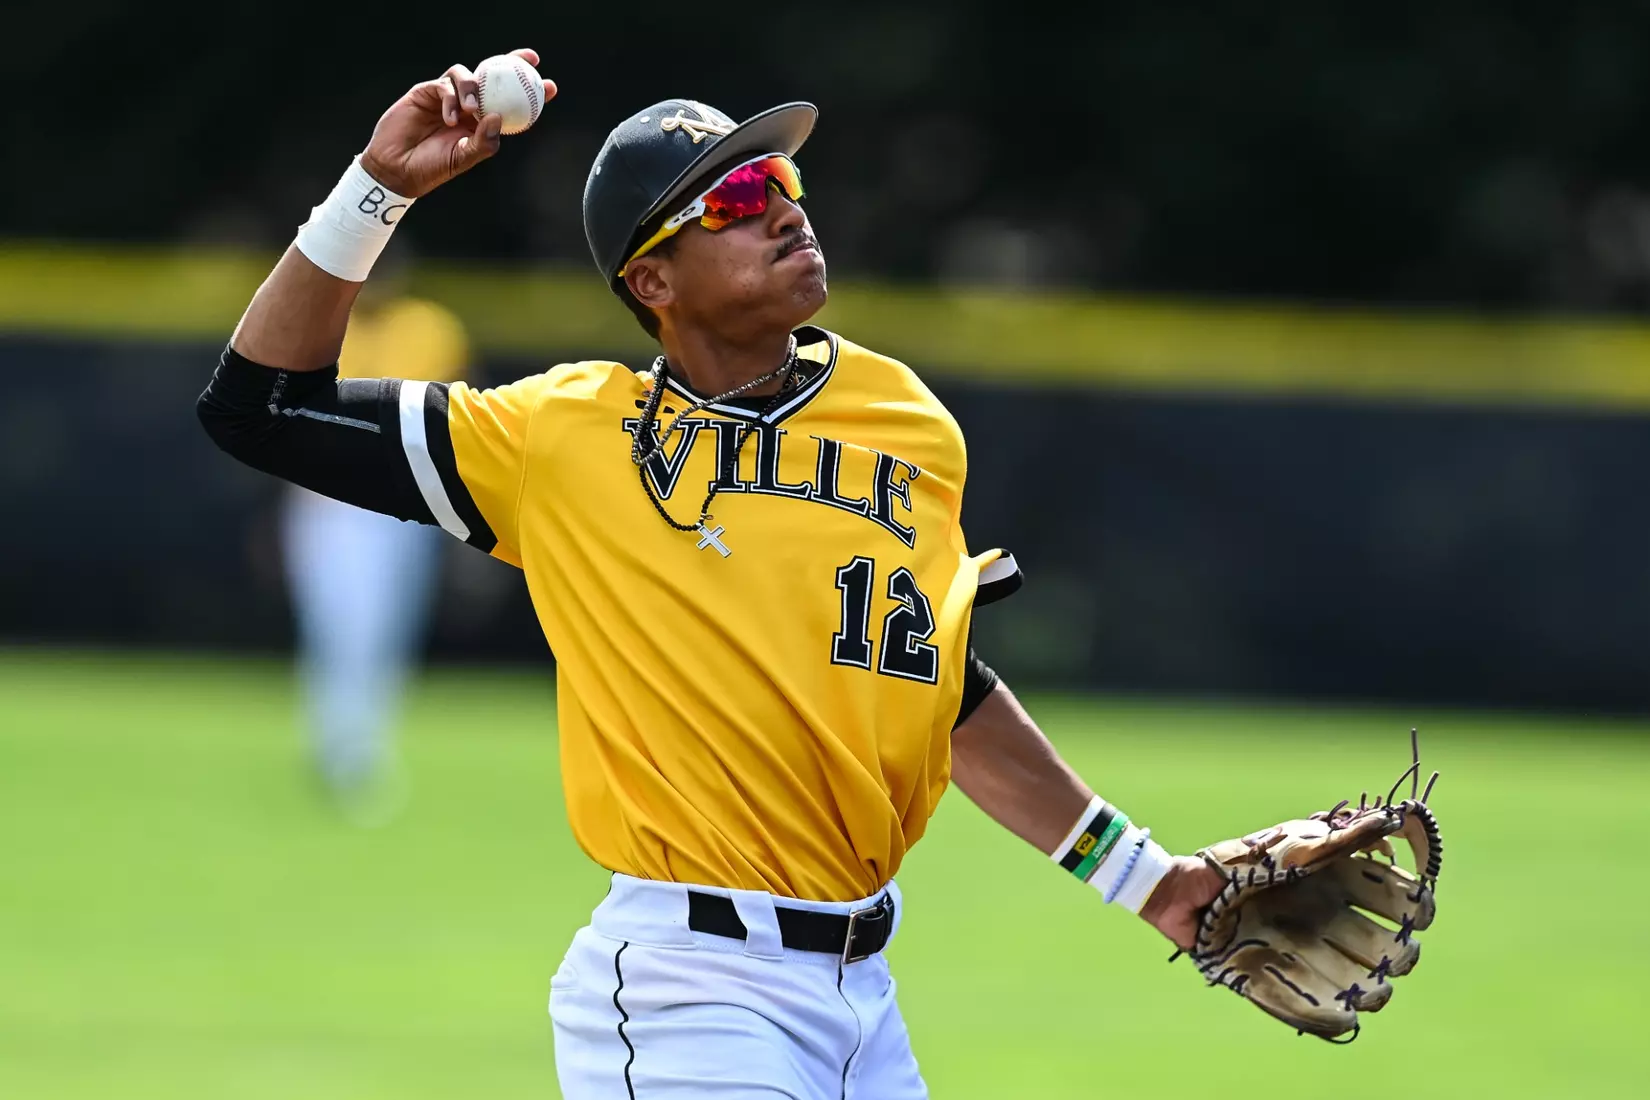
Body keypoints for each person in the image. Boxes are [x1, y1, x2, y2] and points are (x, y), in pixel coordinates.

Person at [198, 48, 1224, 1098]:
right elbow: (260, 409)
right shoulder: (560, 437)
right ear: (651, 281)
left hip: (865, 1002)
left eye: (782, 183)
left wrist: (1149, 879)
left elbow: (936, 685)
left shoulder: (907, 421)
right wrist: (379, 190)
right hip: (692, 990)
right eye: (735, 197)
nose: (784, 210)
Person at [279, 257, 469, 820]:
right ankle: (340, 749)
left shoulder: (430, 326)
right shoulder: (321, 325)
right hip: (330, 504)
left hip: (403, 505)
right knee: (338, 629)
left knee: (388, 632)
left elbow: (454, 419)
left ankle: (362, 746)